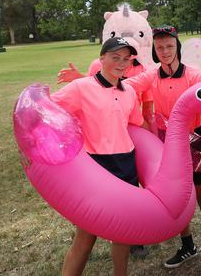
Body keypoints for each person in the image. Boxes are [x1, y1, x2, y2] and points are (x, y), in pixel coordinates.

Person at [124, 26, 201, 276]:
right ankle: (188, 246)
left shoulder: (195, 75)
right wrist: (93, 81)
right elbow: (126, 85)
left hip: (196, 139)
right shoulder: (151, 76)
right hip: (167, 141)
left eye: (169, 46)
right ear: (154, 50)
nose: (165, 51)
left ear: (177, 48)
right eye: (160, 47)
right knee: (178, 198)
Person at [52, 37, 144, 276]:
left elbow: (135, 124)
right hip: (96, 167)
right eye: (115, 57)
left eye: (126, 59)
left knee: (122, 233)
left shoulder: (130, 92)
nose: (121, 63)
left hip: (126, 165)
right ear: (102, 58)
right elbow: (50, 109)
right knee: (86, 235)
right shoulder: (81, 88)